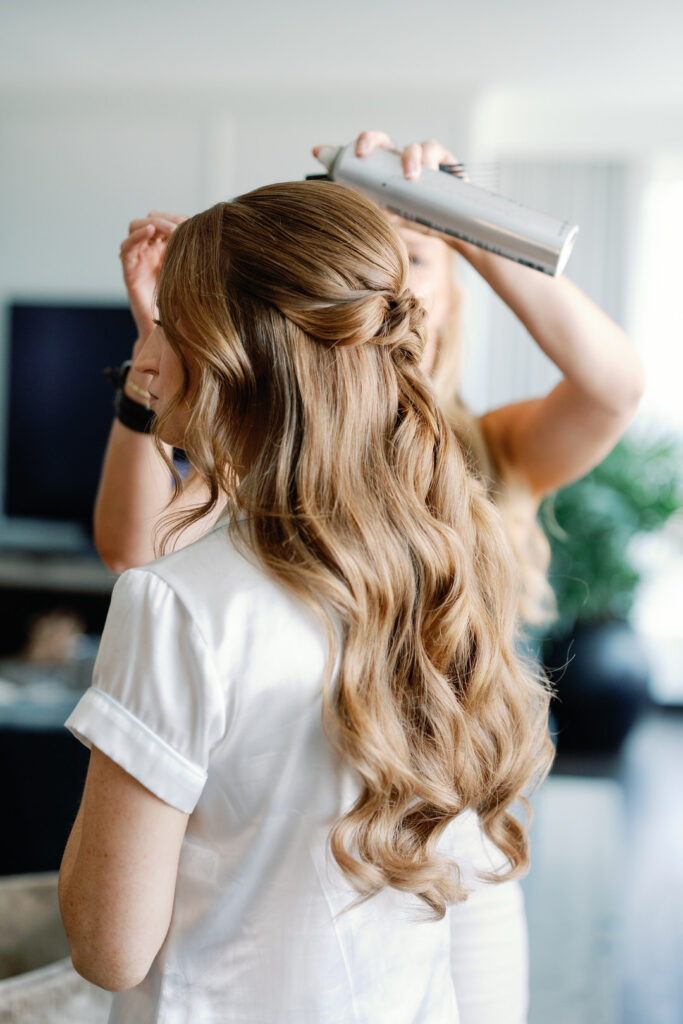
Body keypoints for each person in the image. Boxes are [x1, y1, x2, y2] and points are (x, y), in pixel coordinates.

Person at [60, 178, 556, 1023]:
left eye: (166, 331)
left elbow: (109, 949)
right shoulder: (448, 566)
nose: (145, 360)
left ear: (230, 362)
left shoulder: (176, 606)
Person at [94, 131, 645, 634]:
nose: (382, 283)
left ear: (453, 302)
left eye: (413, 255)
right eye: (360, 261)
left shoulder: (497, 452)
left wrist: (464, 218)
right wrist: (165, 343)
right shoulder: (272, 446)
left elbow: (614, 388)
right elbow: (136, 553)